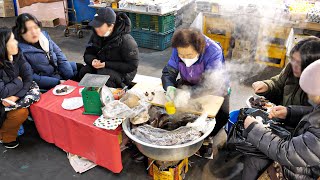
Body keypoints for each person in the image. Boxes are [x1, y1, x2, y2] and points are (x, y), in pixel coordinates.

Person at [242, 59, 320, 180]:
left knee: (254, 159)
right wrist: (289, 112)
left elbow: (288, 153)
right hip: (302, 153)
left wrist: (254, 129)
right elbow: (312, 113)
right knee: (254, 158)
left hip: (302, 172)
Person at [161, 28, 229, 158]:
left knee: (220, 116)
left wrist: (189, 94)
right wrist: (169, 86)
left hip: (214, 88)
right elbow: (169, 72)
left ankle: (206, 138)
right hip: (189, 81)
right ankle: (186, 133)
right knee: (181, 111)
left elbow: (212, 83)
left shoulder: (213, 50)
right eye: (181, 55)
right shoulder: (179, 48)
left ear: (199, 49)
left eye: (189, 55)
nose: (184, 59)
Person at [12, 13, 82, 90]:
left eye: (36, 27)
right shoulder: (18, 50)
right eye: (28, 30)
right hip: (47, 80)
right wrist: (57, 82)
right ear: (20, 32)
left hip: (57, 70)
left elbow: (59, 55)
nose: (34, 32)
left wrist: (69, 77)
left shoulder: (44, 37)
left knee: (81, 68)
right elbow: (30, 76)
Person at [79, 7, 139, 88]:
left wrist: (106, 64)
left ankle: (108, 96)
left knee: (103, 76)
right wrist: (92, 60)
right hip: (102, 67)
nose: (96, 28)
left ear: (111, 26)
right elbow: (88, 53)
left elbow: (132, 66)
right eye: (95, 25)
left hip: (123, 74)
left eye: (99, 26)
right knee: (85, 71)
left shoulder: (126, 41)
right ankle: (89, 95)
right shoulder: (96, 35)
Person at [252, 37, 320, 107]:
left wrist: (288, 112)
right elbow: (278, 83)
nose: (294, 65)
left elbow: (312, 113)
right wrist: (267, 86)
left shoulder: (317, 86)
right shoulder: (291, 67)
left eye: (299, 63)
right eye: (293, 59)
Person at [0, 28, 31, 148]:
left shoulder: (18, 55)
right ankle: (6, 137)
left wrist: (15, 96)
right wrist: (18, 81)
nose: (16, 42)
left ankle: (10, 128)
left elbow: (28, 78)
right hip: (2, 103)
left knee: (37, 96)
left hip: (12, 97)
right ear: (3, 45)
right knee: (20, 113)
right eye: (12, 40)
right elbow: (2, 92)